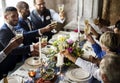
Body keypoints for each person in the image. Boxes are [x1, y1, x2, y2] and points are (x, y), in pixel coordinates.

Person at [0, 6, 47, 79]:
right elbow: (12, 51)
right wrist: (32, 47)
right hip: (9, 68)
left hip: (19, 60)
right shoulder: (3, 31)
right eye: (13, 16)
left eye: (17, 16)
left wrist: (42, 30)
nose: (17, 18)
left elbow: (26, 35)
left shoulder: (14, 27)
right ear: (6, 17)